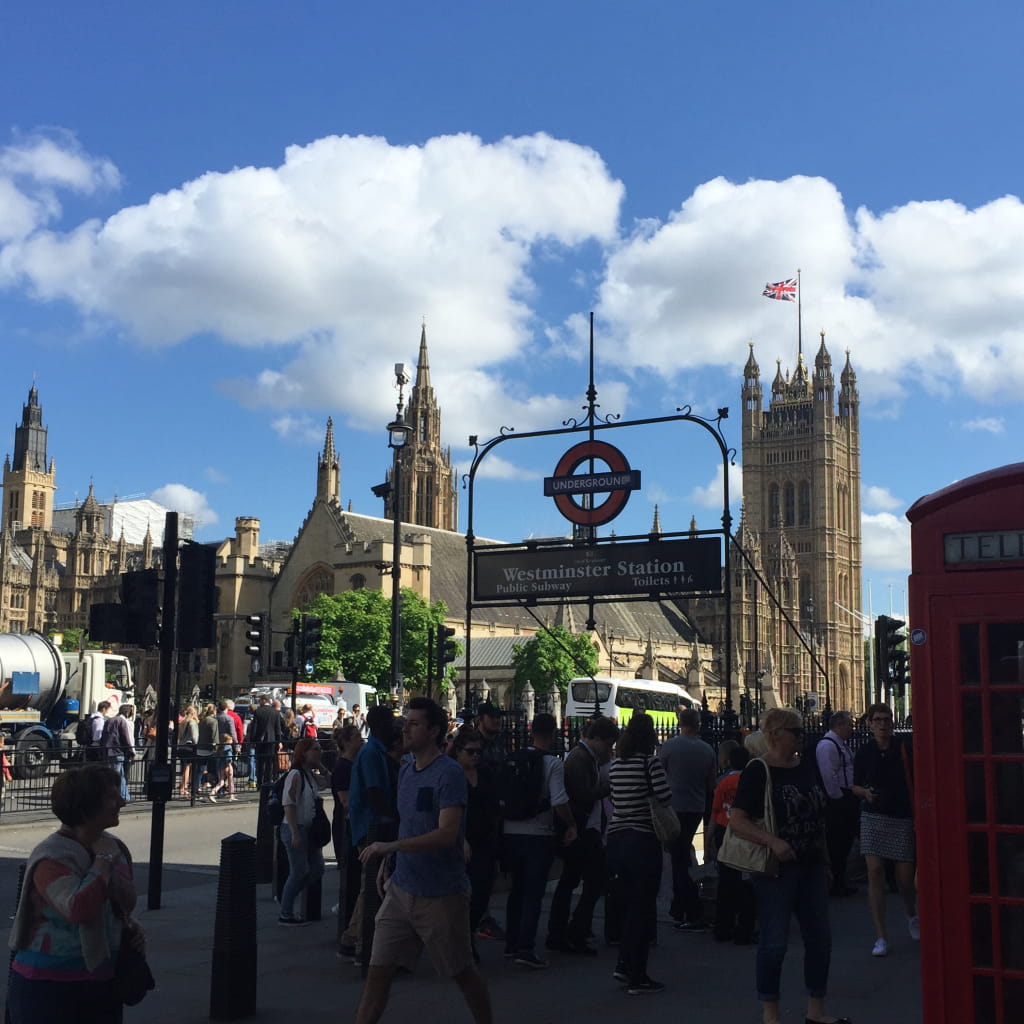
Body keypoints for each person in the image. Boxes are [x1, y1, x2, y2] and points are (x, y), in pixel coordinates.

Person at [354, 697, 492, 1024]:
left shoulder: (449, 774)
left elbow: (446, 834)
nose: (405, 728)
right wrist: (392, 863)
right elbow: (409, 821)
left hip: (441, 894)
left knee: (462, 973)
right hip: (402, 889)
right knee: (378, 975)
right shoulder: (406, 771)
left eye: (414, 723)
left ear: (433, 731)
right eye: (405, 721)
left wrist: (391, 847)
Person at [729, 707, 846, 1024]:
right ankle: (771, 1015)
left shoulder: (805, 765)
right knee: (775, 943)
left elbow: (817, 817)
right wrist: (772, 841)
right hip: (777, 870)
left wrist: (826, 861)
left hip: (811, 866)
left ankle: (816, 1010)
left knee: (820, 940)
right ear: (777, 733)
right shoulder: (758, 771)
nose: (802, 736)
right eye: (797, 731)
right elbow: (737, 820)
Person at [7, 764, 144, 1024]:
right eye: (111, 797)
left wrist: (128, 926)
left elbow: (127, 901)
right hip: (47, 986)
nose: (122, 802)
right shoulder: (52, 855)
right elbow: (78, 909)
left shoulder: (114, 847)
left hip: (102, 982)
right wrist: (102, 863)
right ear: (87, 805)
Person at [502, 712, 576, 969]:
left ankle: (511, 943)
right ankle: (526, 947)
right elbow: (559, 801)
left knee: (517, 890)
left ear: (531, 731)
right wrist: (571, 824)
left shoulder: (515, 758)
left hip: (510, 832)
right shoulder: (552, 763)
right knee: (533, 894)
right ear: (554, 733)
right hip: (538, 835)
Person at [606, 712, 672, 995]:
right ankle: (638, 976)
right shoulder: (650, 762)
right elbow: (665, 796)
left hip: (616, 839)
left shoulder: (616, 765)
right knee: (642, 908)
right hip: (642, 840)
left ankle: (624, 963)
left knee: (628, 905)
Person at [546, 715, 618, 956]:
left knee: (582, 881)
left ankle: (570, 929)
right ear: (595, 738)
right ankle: (570, 931)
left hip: (588, 829)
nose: (609, 750)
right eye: (607, 744)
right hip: (581, 830)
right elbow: (584, 795)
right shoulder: (579, 759)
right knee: (586, 881)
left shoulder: (586, 757)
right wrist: (611, 784)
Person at [851, 702, 917, 957]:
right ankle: (881, 936)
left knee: (904, 879)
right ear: (869, 724)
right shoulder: (864, 752)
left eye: (886, 719)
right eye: (877, 720)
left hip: (900, 816)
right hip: (873, 816)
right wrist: (865, 793)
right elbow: (854, 786)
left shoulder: (905, 748)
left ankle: (911, 914)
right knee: (874, 873)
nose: (882, 724)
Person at [341, 704, 398, 959]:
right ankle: (357, 941)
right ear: (381, 724)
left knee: (374, 882)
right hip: (370, 826)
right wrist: (398, 814)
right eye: (390, 722)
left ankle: (353, 938)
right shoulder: (372, 753)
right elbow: (375, 793)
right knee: (372, 883)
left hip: (372, 824)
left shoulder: (376, 751)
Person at [658, 706, 716, 931]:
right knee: (681, 856)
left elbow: (660, 774)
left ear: (680, 723)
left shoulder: (670, 746)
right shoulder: (707, 750)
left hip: (673, 808)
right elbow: (711, 783)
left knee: (679, 859)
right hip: (696, 808)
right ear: (698, 723)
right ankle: (680, 907)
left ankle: (689, 909)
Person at [450, 725, 500, 962]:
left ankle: (467, 933)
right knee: (460, 895)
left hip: (486, 840)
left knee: (482, 891)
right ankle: (462, 942)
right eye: (470, 752)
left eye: (478, 751)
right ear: (458, 751)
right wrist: (462, 839)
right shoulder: (451, 775)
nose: (475, 756)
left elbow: (493, 805)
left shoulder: (486, 773)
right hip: (461, 840)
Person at [278, 737, 327, 924]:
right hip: (295, 827)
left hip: (308, 828)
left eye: (319, 749)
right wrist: (294, 832)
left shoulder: (309, 774)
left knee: (317, 869)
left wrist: (320, 765)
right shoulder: (296, 774)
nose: (319, 752)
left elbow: (328, 782)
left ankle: (286, 898)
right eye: (315, 749)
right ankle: (286, 912)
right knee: (298, 871)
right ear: (304, 753)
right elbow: (288, 803)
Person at [710, 745, 756, 944]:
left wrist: (709, 838)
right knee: (746, 883)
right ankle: (744, 929)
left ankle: (723, 926)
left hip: (724, 830)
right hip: (745, 832)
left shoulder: (723, 782)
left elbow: (714, 812)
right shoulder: (751, 781)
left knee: (726, 883)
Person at [815, 710, 860, 897]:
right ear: (839, 725)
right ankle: (836, 884)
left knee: (844, 844)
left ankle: (841, 880)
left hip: (846, 797)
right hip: (838, 801)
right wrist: (839, 797)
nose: (852, 728)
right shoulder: (828, 745)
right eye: (849, 724)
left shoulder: (840, 743)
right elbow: (829, 775)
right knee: (837, 844)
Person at [331, 723, 365, 937]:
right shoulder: (343, 766)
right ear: (347, 742)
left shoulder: (357, 762)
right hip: (345, 822)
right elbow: (345, 800)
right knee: (350, 868)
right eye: (357, 737)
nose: (361, 739)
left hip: (353, 820)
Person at [100, 704, 135, 803]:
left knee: (117, 775)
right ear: (127, 712)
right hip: (118, 751)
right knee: (118, 776)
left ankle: (124, 796)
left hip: (108, 751)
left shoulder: (109, 720)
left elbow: (103, 736)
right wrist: (131, 751)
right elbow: (126, 738)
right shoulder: (122, 721)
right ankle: (119, 796)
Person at [248, 693, 284, 785]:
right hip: (272, 740)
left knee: (260, 762)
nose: (259, 702)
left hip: (260, 740)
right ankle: (268, 782)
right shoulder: (275, 712)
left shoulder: (258, 712)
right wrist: (279, 741)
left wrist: (253, 740)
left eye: (260, 700)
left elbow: (254, 728)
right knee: (269, 763)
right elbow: (278, 728)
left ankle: (260, 783)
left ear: (264, 700)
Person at [195, 704, 219, 797]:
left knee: (199, 770)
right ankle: (216, 789)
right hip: (209, 749)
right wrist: (216, 747)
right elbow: (214, 736)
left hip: (200, 747)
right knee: (214, 770)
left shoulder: (201, 720)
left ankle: (196, 788)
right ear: (214, 711)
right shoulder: (213, 721)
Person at [176, 704, 199, 797]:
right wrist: (196, 744)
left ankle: (183, 786)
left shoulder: (182, 722)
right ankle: (184, 788)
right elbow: (194, 737)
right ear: (193, 713)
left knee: (184, 767)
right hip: (189, 746)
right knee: (187, 768)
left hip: (181, 746)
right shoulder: (192, 722)